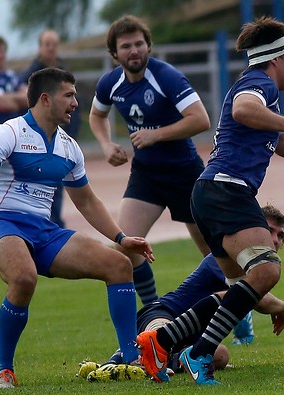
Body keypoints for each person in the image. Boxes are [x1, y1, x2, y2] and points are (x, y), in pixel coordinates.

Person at [136, 16, 284, 385]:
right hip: (228, 190)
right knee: (267, 270)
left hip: (210, 192)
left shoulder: (264, 100)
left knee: (235, 289)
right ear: (276, 59)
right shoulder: (260, 84)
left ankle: (161, 340)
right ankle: (199, 351)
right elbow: (244, 109)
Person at [0, 67, 154, 389]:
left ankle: (131, 360)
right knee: (23, 277)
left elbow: (86, 201)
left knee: (118, 264)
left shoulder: (69, 147)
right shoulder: (11, 133)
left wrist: (121, 238)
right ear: (45, 99)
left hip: (44, 231)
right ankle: (4, 370)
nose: (76, 103)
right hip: (2, 222)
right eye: (69, 95)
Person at [82, 205, 284, 382]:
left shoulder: (256, 267)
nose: (274, 240)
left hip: (192, 335)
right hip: (162, 313)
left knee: (220, 356)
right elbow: (254, 299)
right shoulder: (227, 256)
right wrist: (282, 307)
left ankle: (141, 361)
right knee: (160, 332)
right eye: (269, 230)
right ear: (253, 229)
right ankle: (119, 362)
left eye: (280, 236)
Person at [89, 15, 211, 306]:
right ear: (114, 54)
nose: (134, 50)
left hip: (185, 174)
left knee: (213, 255)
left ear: (149, 46)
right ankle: (154, 311)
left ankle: (238, 314)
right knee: (126, 247)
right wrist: (106, 145)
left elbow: (201, 120)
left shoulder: (166, 77)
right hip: (146, 175)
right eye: (127, 46)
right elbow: (97, 115)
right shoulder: (110, 83)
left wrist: (157, 136)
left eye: (140, 44)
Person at [22, 29, 82, 228]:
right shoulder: (31, 74)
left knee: (59, 183)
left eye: (54, 44)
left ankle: (55, 225)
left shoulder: (64, 71)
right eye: (47, 44)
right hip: (36, 140)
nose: (50, 48)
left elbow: (73, 107)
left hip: (62, 137)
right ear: (40, 47)